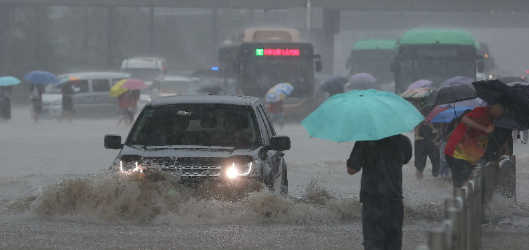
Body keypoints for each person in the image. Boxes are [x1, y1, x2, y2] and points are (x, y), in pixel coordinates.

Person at [346, 134, 412, 250]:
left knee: (373, 244)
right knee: (393, 244)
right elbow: (406, 159)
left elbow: (351, 169)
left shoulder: (365, 141)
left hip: (372, 202)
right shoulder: (403, 141)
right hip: (395, 202)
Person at [444, 100, 508, 188]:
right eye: (502, 109)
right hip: (457, 152)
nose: (503, 113)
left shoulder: (492, 121)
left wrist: (498, 155)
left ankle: (461, 198)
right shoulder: (481, 111)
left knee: (464, 182)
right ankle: (460, 199)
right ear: (496, 106)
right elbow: (465, 120)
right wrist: (485, 129)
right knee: (463, 182)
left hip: (469, 155)